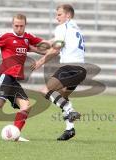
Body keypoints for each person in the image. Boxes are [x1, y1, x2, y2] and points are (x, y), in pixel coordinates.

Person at [32, 4, 87, 140]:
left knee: (45, 90)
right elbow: (53, 43)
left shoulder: (62, 27)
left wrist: (40, 62)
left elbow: (56, 49)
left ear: (68, 15)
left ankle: (70, 110)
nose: (57, 18)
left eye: (59, 15)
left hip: (69, 67)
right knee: (63, 97)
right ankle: (70, 130)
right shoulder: (74, 27)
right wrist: (37, 45)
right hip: (81, 70)